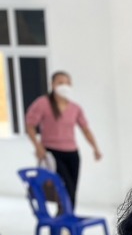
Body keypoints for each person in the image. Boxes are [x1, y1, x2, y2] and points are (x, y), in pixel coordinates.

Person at [25, 70, 102, 211]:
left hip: (72, 154)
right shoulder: (42, 104)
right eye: (60, 83)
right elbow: (30, 126)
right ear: (52, 84)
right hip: (52, 153)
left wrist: (95, 148)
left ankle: (66, 218)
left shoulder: (75, 108)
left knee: (72, 188)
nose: (64, 86)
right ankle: (64, 218)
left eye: (67, 83)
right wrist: (38, 147)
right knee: (64, 187)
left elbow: (85, 129)